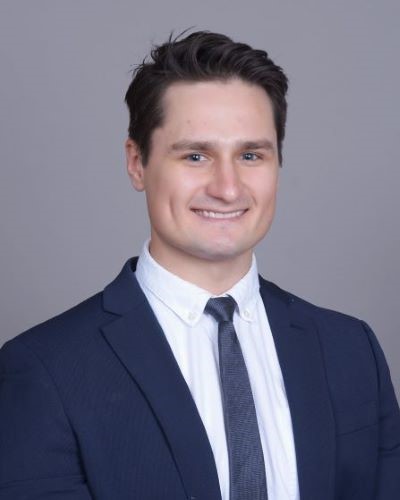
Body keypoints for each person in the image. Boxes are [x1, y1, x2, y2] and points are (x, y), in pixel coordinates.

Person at [0, 31, 399, 500]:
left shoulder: (350, 350)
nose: (227, 188)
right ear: (137, 163)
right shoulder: (46, 370)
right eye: (195, 155)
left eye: (250, 155)